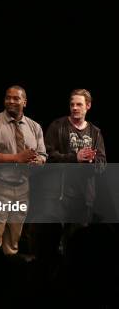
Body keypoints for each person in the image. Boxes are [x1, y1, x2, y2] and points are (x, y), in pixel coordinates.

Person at [0, 86, 47, 254]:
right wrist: (16, 158)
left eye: (16, 98)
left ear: (24, 102)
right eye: (8, 97)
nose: (11, 101)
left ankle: (9, 276)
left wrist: (38, 161)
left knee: (13, 241)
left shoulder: (35, 127)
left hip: (23, 188)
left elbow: (43, 155)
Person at [45, 89, 106, 223]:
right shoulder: (58, 126)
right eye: (72, 104)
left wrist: (91, 161)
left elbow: (102, 164)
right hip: (60, 195)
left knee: (78, 238)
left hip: (84, 197)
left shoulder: (95, 132)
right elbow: (47, 156)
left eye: (79, 104)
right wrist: (75, 158)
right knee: (57, 238)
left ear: (88, 106)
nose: (74, 108)